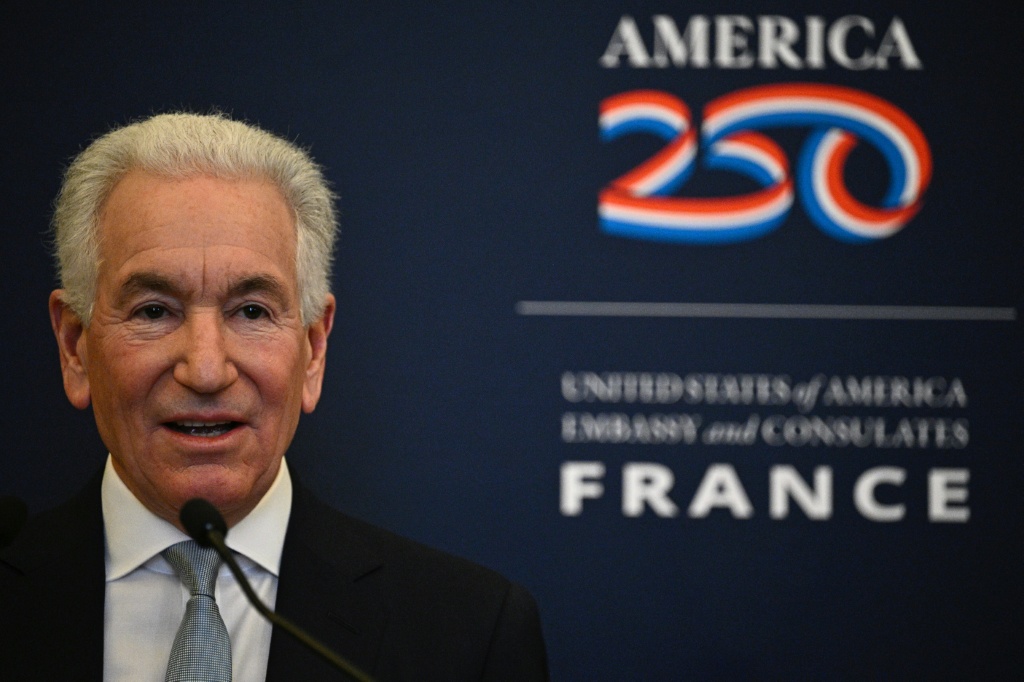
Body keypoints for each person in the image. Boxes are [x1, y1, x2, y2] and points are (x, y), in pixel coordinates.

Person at [0, 113, 549, 681]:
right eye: (155, 311)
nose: (206, 370)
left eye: (252, 312)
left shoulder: (469, 634)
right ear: (75, 347)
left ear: (313, 351)